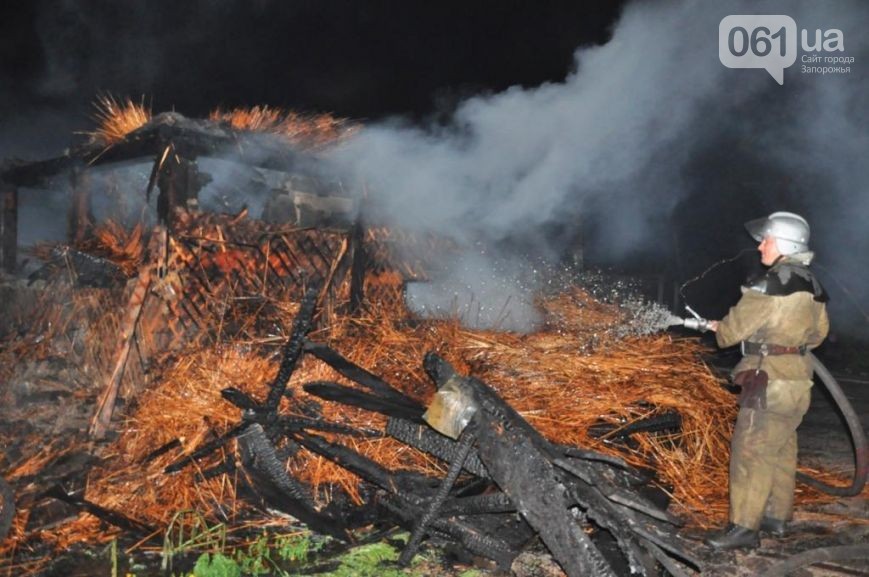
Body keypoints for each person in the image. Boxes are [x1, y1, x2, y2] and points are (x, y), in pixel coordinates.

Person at [705, 211, 829, 550]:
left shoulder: (768, 285)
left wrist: (723, 327)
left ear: (784, 243)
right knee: (782, 447)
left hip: (768, 380)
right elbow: (818, 335)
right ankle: (777, 519)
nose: (760, 246)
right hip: (798, 380)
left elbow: (729, 334)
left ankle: (743, 528)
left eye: (766, 240)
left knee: (751, 449)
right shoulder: (812, 284)